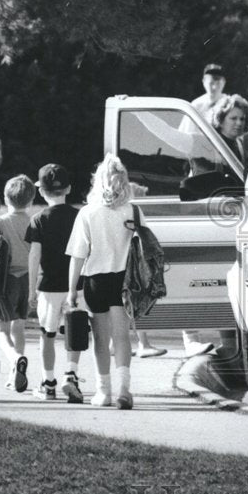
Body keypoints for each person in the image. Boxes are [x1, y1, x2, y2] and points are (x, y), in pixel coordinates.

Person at [65, 154, 139, 409]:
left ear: (97, 182)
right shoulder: (133, 211)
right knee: (122, 337)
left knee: (101, 339)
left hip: (96, 279)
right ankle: (124, 390)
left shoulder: (88, 213)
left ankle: (103, 392)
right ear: (123, 181)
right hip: (125, 279)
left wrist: (72, 290)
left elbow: (78, 255)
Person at [26, 164, 86, 402]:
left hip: (49, 286)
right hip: (76, 285)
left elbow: (34, 257)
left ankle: (48, 382)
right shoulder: (80, 216)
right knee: (75, 333)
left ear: (41, 191)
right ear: (68, 188)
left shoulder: (38, 220)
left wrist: (31, 289)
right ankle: (70, 375)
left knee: (47, 335)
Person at [0, 174, 36, 393]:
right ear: (31, 200)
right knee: (19, 327)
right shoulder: (34, 221)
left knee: (1, 329)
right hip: (27, 279)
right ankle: (13, 374)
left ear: (6, 199)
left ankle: (15, 359)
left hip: (5, 282)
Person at [209, 93, 248, 168]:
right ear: (220, 120)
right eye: (233, 118)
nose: (239, 123)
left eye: (242, 119)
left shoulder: (240, 144)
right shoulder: (211, 144)